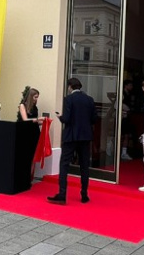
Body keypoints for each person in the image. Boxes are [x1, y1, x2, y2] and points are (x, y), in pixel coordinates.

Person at [48, 77, 96, 205]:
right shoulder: (89, 100)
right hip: (85, 137)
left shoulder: (69, 99)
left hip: (71, 136)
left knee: (64, 164)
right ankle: (84, 194)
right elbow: (94, 119)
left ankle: (62, 194)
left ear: (70, 87)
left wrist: (60, 117)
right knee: (84, 166)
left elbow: (67, 119)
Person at [120, 79, 134, 161]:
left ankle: (123, 152)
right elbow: (118, 105)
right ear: (126, 85)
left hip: (126, 117)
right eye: (130, 85)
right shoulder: (123, 94)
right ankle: (122, 152)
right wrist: (127, 109)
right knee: (123, 135)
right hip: (123, 117)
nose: (131, 87)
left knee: (126, 135)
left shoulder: (128, 94)